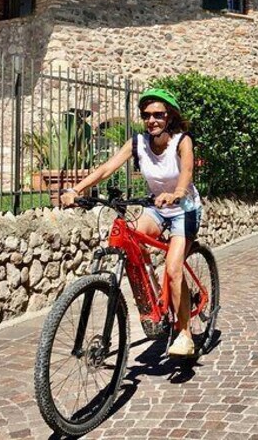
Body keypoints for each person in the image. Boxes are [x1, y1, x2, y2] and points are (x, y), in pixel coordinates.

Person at [60, 88, 201, 357]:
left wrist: (177, 193)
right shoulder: (138, 142)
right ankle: (154, 299)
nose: (152, 120)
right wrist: (76, 190)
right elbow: (106, 168)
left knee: (172, 268)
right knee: (132, 238)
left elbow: (187, 172)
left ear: (169, 117)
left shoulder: (182, 141)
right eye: (146, 115)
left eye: (158, 114)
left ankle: (184, 334)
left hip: (184, 208)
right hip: (157, 207)